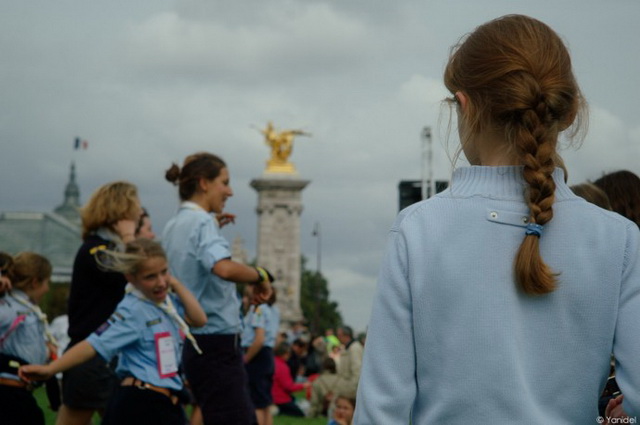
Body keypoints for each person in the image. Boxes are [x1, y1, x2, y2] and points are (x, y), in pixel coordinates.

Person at [353, 15, 640, 424]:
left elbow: (380, 410)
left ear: (464, 107)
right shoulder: (620, 239)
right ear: (570, 111)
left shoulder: (418, 230)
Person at [20, 239, 207, 425]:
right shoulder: (132, 310)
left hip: (165, 401)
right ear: (130, 278)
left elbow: (199, 319)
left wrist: (174, 283)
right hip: (142, 403)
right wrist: (51, 369)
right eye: (150, 276)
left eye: (164, 272)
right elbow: (93, 344)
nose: (160, 282)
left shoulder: (167, 304)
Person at [162, 152, 274, 425]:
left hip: (194, 343)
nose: (230, 191)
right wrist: (260, 275)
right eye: (224, 182)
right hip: (217, 343)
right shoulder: (201, 223)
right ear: (204, 183)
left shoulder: (173, 225)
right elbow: (223, 268)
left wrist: (212, 225)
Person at [60, 181, 142, 425]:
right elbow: (139, 272)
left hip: (103, 355)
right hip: (92, 356)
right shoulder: (97, 251)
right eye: (135, 207)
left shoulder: (100, 248)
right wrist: (129, 236)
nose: (139, 213)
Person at [0, 252, 55, 425]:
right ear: (35, 282)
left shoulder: (27, 309)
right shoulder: (9, 308)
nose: (47, 289)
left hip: (19, 393)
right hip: (8, 393)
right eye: (47, 282)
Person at [242, 287, 278, 425]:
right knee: (264, 402)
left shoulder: (258, 310)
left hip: (257, 355)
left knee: (256, 401)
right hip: (266, 355)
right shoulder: (271, 310)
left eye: (246, 296)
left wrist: (246, 359)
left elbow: (259, 338)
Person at [271, 341, 309, 417]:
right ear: (285, 354)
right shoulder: (283, 367)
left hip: (271, 397)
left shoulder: (272, 362)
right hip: (281, 399)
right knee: (301, 414)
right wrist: (303, 385)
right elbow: (288, 387)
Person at [334, 326, 363, 398]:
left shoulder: (354, 348)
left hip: (350, 392)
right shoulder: (348, 348)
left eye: (339, 335)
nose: (338, 338)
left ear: (346, 336)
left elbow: (357, 372)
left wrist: (351, 392)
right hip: (346, 388)